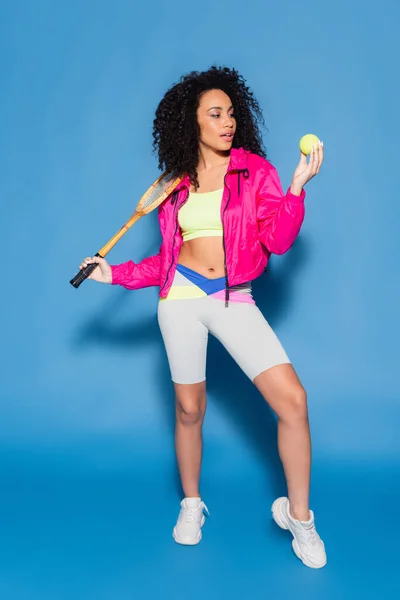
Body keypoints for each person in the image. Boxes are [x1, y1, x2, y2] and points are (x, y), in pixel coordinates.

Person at [79, 66, 326, 569]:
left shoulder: (254, 171)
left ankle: (299, 517)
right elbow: (167, 260)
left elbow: (277, 241)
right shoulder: (175, 184)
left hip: (235, 298)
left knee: (293, 402)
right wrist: (114, 275)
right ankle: (192, 503)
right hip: (181, 299)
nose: (227, 122)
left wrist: (297, 189)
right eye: (215, 114)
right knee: (189, 409)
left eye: (231, 113)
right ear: (192, 123)